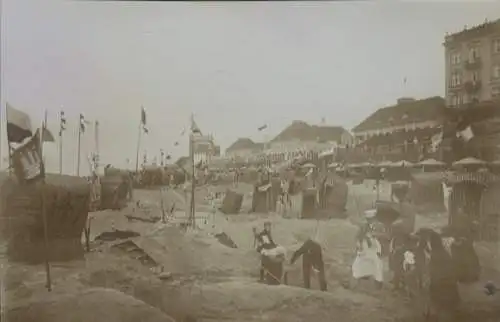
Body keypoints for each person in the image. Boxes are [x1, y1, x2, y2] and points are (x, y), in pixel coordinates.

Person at [351, 224, 384, 289]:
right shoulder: (364, 239)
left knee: (358, 267)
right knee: (375, 267)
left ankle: (376, 283)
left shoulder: (370, 238)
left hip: (367, 256)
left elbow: (377, 247)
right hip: (367, 256)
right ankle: (375, 282)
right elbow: (377, 248)